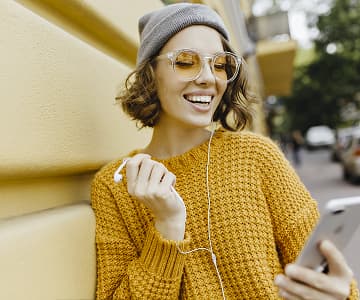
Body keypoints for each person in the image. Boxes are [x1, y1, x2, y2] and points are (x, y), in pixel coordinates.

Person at [91, 3, 359, 299]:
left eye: (219, 64)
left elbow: (327, 277)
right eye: (185, 61)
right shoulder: (115, 186)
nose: (208, 78)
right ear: (150, 73)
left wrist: (339, 294)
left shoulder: (256, 155)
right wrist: (167, 226)